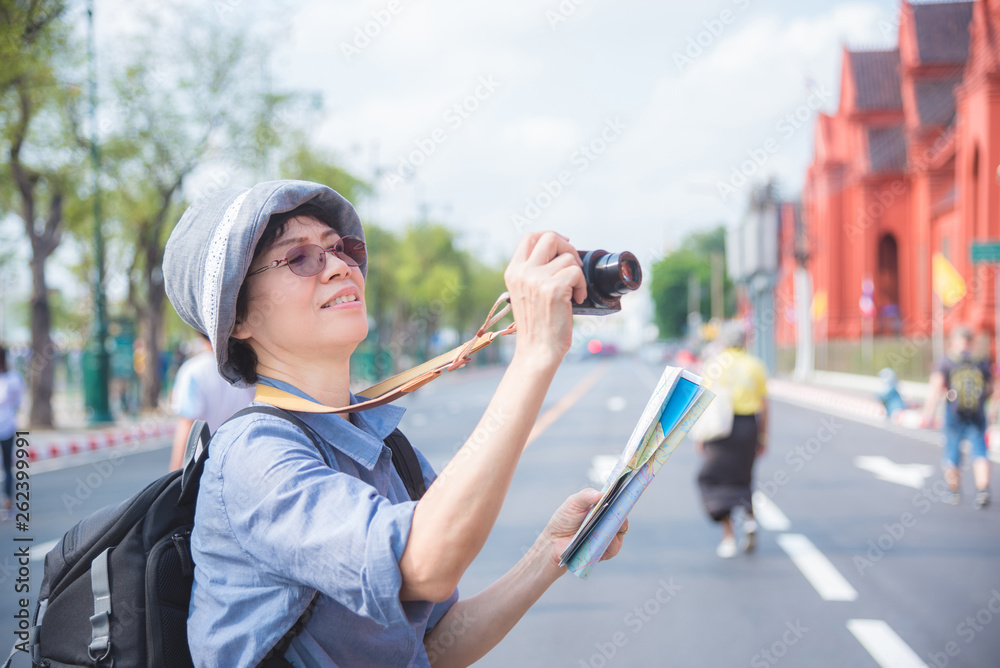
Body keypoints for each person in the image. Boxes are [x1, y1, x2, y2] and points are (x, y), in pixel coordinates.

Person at [162, 180, 626, 667]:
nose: (340, 266)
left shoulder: (382, 444)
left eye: (339, 249)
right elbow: (425, 565)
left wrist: (549, 553)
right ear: (238, 318)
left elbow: (436, 645)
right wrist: (533, 355)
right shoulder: (255, 453)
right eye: (300, 258)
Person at [695, 324, 768, 558]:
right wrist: (762, 436)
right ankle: (750, 521)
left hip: (720, 429)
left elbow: (704, 403)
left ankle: (728, 536)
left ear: (724, 342)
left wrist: (700, 436)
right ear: (744, 341)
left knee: (712, 479)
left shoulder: (714, 364)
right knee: (744, 477)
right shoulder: (755, 365)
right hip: (748, 427)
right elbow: (765, 405)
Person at [922, 325, 994, 508]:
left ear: (953, 342)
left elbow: (935, 387)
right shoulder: (981, 361)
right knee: (980, 451)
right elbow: (992, 388)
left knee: (952, 452)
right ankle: (982, 491)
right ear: (971, 342)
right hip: (977, 413)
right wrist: (991, 408)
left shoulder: (946, 361)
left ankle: (953, 491)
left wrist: (927, 414)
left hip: (953, 413)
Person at [167, 332, 256, 471]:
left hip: (205, 466)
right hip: (246, 462)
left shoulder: (193, 371)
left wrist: (174, 471)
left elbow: (186, 424)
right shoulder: (249, 368)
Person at [0, 345, 25, 514]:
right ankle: (7, 501)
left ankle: (7, 501)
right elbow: (19, 401)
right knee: (8, 465)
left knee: (8, 465)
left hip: (7, 426)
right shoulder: (13, 378)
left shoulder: (12, 378)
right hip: (8, 425)